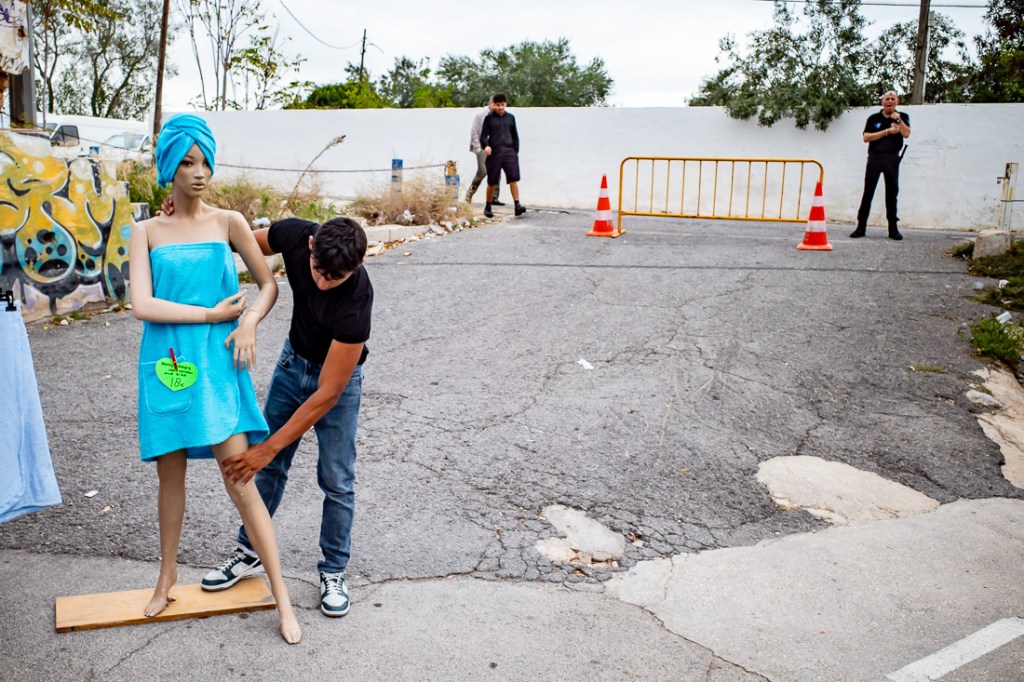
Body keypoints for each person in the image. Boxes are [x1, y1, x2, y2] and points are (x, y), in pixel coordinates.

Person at [129, 114, 301, 644]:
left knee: (240, 480)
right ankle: (165, 578)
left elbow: (269, 285)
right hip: (168, 363)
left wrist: (248, 322)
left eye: (205, 161)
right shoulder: (147, 231)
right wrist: (209, 315)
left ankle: (283, 597)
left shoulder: (228, 222)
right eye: (187, 162)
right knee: (170, 478)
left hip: (221, 367)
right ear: (169, 167)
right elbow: (141, 305)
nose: (199, 172)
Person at [199, 215, 373, 620]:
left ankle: (333, 571)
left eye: (336, 277)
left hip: (337, 382)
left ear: (358, 266)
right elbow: (232, 238)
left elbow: (327, 395)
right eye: (318, 271)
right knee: (269, 468)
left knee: (337, 479)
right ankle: (250, 552)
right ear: (310, 245)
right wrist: (184, 220)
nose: (324, 283)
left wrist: (269, 447)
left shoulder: (357, 301)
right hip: (292, 363)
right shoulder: (296, 235)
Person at [851, 90, 910, 240]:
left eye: (892, 99)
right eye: (887, 99)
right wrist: (887, 131)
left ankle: (893, 229)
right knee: (868, 192)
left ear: (897, 102)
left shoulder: (902, 116)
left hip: (892, 158)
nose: (890, 101)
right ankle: (861, 227)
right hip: (875, 157)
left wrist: (898, 120)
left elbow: (906, 133)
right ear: (882, 102)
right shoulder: (873, 118)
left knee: (892, 194)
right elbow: (866, 137)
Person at [480, 92, 526, 219]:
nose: (500, 107)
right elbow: (483, 136)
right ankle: (488, 206)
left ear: (506, 104)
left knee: (513, 179)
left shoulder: (511, 118)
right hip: (494, 153)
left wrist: (515, 152)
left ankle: (517, 205)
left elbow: (515, 136)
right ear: (494, 105)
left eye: (502, 105)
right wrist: (486, 146)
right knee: (492, 181)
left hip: (509, 153)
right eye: (498, 105)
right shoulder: (489, 118)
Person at [464, 96, 501, 206]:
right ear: (491, 104)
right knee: (482, 172)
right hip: (481, 147)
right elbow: (474, 132)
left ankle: (494, 198)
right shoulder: (480, 115)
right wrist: (477, 148)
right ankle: (469, 194)